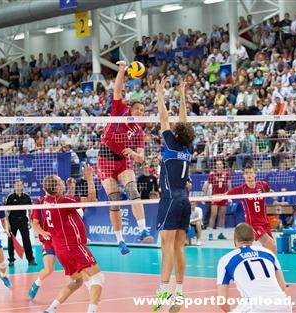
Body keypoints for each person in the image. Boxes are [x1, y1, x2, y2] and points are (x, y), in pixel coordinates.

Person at [96, 60, 153, 256]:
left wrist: (135, 154)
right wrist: (121, 70)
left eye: (143, 112)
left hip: (123, 162)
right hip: (104, 160)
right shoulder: (120, 110)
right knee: (115, 200)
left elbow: (141, 159)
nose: (140, 113)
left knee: (132, 190)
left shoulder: (138, 131)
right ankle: (120, 241)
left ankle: (143, 229)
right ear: (131, 109)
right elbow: (118, 90)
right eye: (138, 110)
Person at [32, 165, 104, 313]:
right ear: (57, 188)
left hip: (60, 250)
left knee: (77, 281)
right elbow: (91, 199)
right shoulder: (63, 201)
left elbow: (66, 204)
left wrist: (71, 187)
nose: (63, 182)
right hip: (73, 246)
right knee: (98, 278)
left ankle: (51, 309)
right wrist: (89, 177)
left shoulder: (45, 203)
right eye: (60, 182)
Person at [153, 77, 196, 312]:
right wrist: (180, 93)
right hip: (185, 201)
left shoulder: (170, 144)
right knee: (179, 246)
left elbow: (164, 118)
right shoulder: (188, 147)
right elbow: (183, 121)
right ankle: (179, 292)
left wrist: (160, 93)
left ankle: (163, 289)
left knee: (166, 246)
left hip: (170, 199)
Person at [217, 223, 291, 313]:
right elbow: (283, 287)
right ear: (254, 237)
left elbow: (222, 301)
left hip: (256, 307)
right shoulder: (269, 253)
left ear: (234, 239)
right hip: (283, 305)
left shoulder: (226, 259)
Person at [227, 163, 277, 254]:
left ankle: (268, 266)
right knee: (271, 245)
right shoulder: (241, 190)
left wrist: (274, 196)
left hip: (265, 223)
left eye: (251, 172)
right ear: (244, 176)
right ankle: (275, 267)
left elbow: (270, 191)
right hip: (253, 224)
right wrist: (210, 198)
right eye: (246, 173)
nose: (249, 175)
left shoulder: (262, 185)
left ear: (255, 174)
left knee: (268, 248)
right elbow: (225, 195)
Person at [5, 179, 37, 266]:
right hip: (13, 220)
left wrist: (30, 221)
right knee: (11, 240)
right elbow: (6, 212)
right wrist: (7, 224)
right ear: (14, 186)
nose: (19, 186)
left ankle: (30, 259)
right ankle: (11, 259)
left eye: (20, 185)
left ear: (22, 186)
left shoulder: (27, 197)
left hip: (23, 220)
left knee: (26, 240)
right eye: (17, 185)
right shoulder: (10, 197)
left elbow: (30, 210)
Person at [202, 159, 232, 240]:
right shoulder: (212, 175)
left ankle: (221, 234)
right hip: (215, 197)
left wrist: (230, 196)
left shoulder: (226, 174)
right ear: (215, 166)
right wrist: (204, 196)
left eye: (220, 164)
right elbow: (206, 185)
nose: (219, 166)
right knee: (213, 215)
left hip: (223, 197)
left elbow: (229, 186)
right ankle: (210, 234)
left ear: (223, 165)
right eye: (217, 164)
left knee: (222, 216)